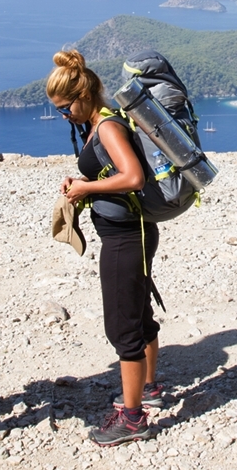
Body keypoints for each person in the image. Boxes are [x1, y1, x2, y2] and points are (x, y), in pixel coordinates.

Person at [46, 50, 162, 446]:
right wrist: (85, 184)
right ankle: (148, 389)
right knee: (138, 311)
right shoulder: (101, 124)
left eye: (65, 108)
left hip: (124, 238)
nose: (65, 116)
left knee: (122, 325)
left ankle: (132, 419)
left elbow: (132, 177)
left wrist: (86, 188)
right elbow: (114, 172)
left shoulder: (107, 127)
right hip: (134, 232)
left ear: (83, 95)